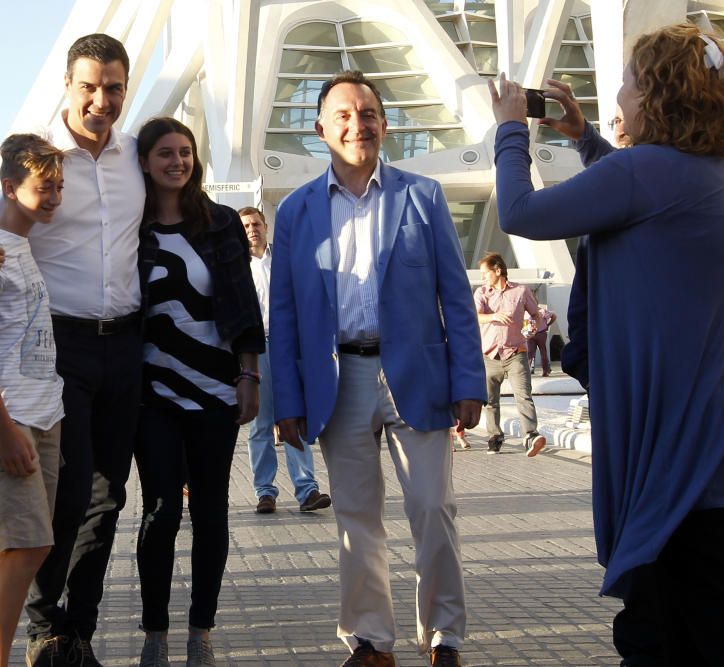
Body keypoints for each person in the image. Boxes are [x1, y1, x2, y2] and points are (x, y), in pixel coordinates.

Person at [489, 24, 724, 665]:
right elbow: (640, 193)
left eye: (625, 83)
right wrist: (587, 139)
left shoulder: (648, 173)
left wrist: (512, 128)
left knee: (715, 626)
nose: (617, 97)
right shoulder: (722, 172)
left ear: (655, 94)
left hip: (679, 436)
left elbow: (519, 214)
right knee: (676, 612)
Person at [269, 70, 486, 667]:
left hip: (416, 375)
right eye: (343, 115)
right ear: (320, 130)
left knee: (432, 508)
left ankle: (444, 637)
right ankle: (370, 640)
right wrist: (285, 400)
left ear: (384, 125)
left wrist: (470, 380)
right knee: (355, 519)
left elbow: (455, 297)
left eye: (367, 114)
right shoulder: (295, 211)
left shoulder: (422, 195)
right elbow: (283, 313)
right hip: (339, 380)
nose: (356, 125)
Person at [0, 33, 145, 666]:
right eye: (89, 86)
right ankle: (38, 627)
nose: (101, 100)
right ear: (67, 84)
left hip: (126, 344)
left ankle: (75, 630)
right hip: (60, 350)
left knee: (109, 497)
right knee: (66, 496)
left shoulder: (135, 155)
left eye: (113, 87)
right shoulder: (37, 159)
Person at [132, 117, 265, 667]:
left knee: (212, 513)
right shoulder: (129, 227)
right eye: (165, 153)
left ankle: (200, 630)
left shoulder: (220, 223)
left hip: (214, 387)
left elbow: (241, 301)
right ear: (144, 161)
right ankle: (155, 632)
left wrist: (248, 373)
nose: (177, 162)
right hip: (150, 391)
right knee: (159, 511)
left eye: (185, 153)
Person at [0, 133, 66, 667]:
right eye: (44, 188)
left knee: (11, 546)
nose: (54, 198)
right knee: (30, 545)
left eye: (59, 188)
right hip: (8, 415)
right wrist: (3, 427)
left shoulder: (25, 245)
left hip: (46, 411)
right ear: (9, 187)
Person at [238, 206, 331, 515]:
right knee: (260, 424)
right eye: (246, 225)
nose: (252, 229)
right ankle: (265, 491)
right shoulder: (236, 266)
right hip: (256, 349)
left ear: (266, 226)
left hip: (287, 345)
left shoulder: (286, 261)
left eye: (256, 223)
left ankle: (307, 490)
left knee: (295, 416)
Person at [475, 252, 547, 456]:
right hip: (489, 355)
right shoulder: (482, 293)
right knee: (490, 401)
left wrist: (533, 327)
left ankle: (531, 435)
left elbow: (536, 314)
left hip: (516, 352)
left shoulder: (521, 291)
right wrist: (493, 316)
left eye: (485, 273)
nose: (483, 278)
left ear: (498, 271)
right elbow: (475, 316)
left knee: (524, 396)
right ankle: (495, 436)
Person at [527, 305, 555, 376]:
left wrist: (548, 324)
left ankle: (545, 371)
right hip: (531, 333)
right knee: (530, 352)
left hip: (540, 333)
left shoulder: (542, 311)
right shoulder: (527, 311)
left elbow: (554, 316)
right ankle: (527, 371)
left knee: (541, 352)